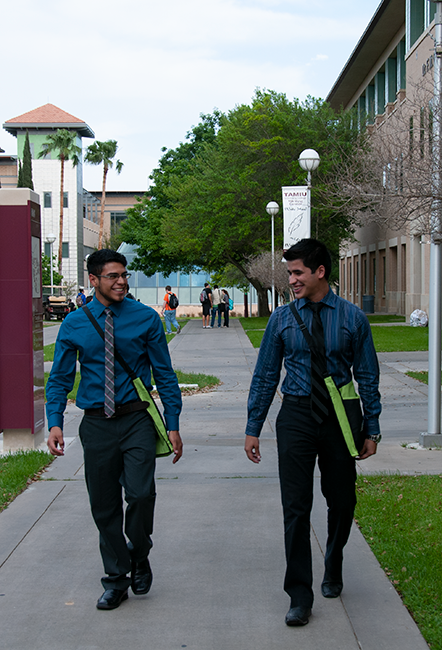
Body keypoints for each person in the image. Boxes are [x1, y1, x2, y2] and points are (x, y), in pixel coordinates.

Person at [244, 238, 381, 627]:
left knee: (342, 500)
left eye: (297, 272)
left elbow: (367, 376)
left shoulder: (353, 318)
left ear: (320, 272)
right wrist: (254, 426)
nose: (291, 280)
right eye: (289, 273)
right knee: (296, 506)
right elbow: (266, 375)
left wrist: (372, 427)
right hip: (297, 416)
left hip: (340, 418)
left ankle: (333, 559)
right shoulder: (282, 319)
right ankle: (299, 595)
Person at [46, 249, 183, 611]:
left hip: (137, 418)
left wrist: (173, 424)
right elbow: (59, 378)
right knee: (104, 506)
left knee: (140, 495)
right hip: (96, 423)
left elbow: (165, 374)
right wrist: (55, 421)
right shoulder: (74, 323)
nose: (121, 281)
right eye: (112, 276)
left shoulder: (145, 319)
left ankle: (139, 552)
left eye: (124, 274)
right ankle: (116, 579)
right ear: (93, 280)